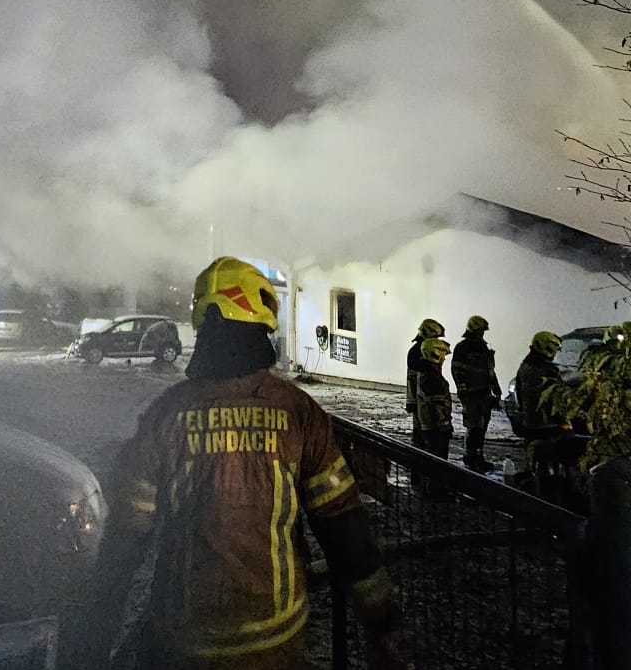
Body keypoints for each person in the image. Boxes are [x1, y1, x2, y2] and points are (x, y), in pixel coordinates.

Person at [77, 257, 406, 669]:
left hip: (183, 642)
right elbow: (344, 528)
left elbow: (124, 541)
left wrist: (91, 640)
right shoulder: (298, 411)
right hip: (275, 641)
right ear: (260, 327)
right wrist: (382, 625)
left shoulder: (166, 414)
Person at [513, 331, 580, 500]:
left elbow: (519, 393)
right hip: (548, 425)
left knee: (536, 460)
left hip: (531, 423)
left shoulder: (525, 366)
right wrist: (564, 421)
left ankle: (538, 493)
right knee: (557, 461)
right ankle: (555, 498)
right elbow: (553, 400)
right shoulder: (544, 371)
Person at [450, 315, 500, 471]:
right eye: (480, 330)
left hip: (484, 394)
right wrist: (463, 391)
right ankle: (470, 458)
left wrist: (496, 388)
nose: (482, 334)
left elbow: (490, 371)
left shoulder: (483, 348)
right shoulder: (462, 348)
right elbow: (456, 371)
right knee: (474, 428)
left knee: (482, 427)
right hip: (471, 395)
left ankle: (479, 457)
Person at [413, 336, 454, 461]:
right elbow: (438, 405)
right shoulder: (433, 377)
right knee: (437, 461)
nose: (444, 359)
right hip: (437, 428)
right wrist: (445, 426)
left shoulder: (424, 372)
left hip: (429, 426)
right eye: (443, 356)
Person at [404, 317, 444, 438]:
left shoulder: (421, 351)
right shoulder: (418, 352)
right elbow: (413, 378)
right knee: (423, 431)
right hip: (422, 400)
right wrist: (411, 402)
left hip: (424, 399)